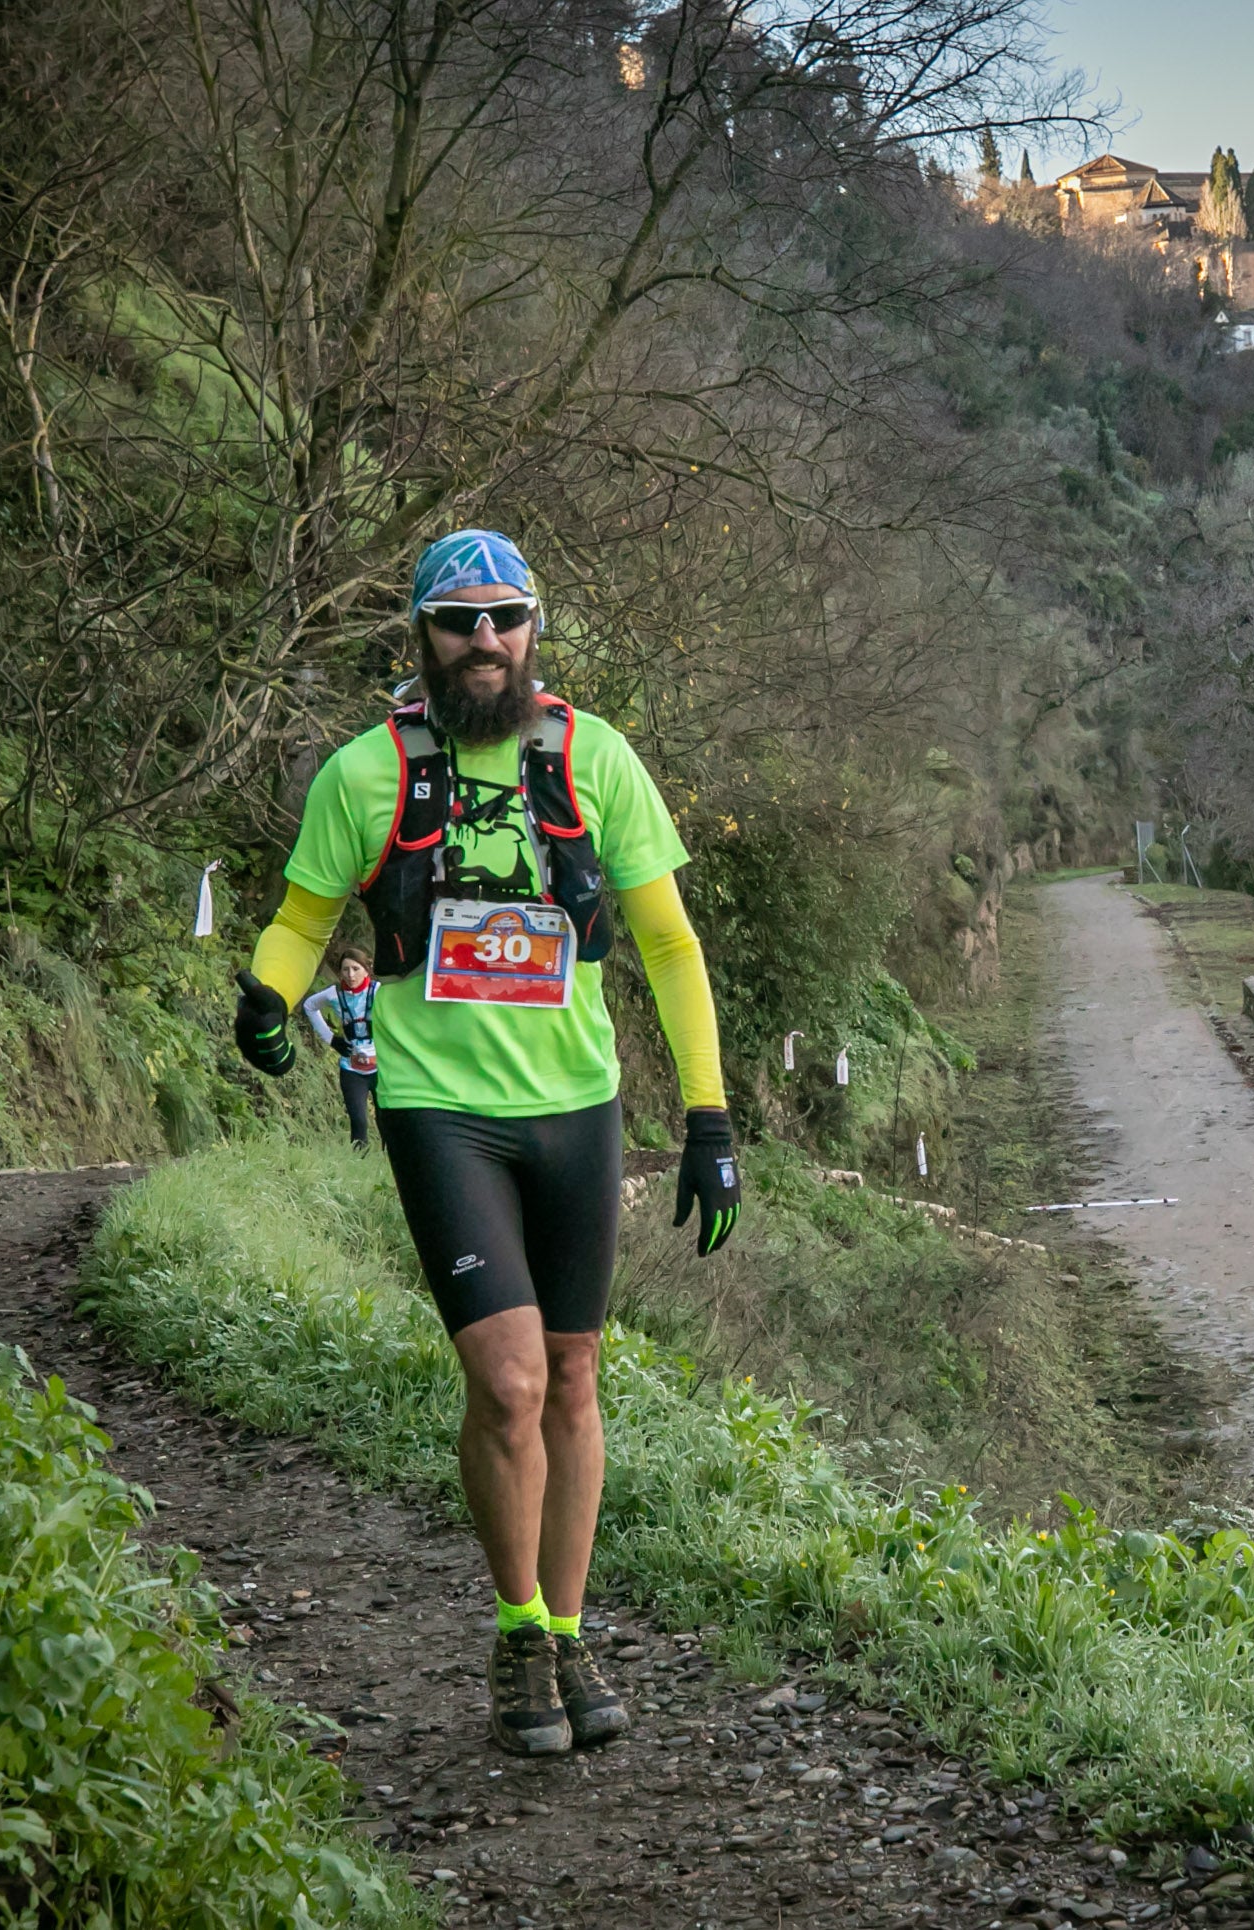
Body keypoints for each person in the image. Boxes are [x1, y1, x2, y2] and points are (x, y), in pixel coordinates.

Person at [231, 529, 742, 1759]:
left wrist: (709, 1116)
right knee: (507, 1382)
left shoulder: (592, 757)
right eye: (460, 619)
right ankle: (518, 1630)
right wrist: (266, 994)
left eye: (506, 616)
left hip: (576, 1107)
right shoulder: (366, 774)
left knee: (572, 1374)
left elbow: (670, 946)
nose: (485, 639)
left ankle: (568, 1630)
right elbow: (302, 917)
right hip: (438, 1108)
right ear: (421, 633)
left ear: (532, 631)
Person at [300, 948, 379, 1150]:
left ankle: (390, 1161)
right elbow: (309, 1006)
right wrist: (331, 1039)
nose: (350, 975)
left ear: (367, 969)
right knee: (358, 1120)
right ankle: (359, 1161)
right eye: (345, 970)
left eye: (356, 969)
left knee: (387, 1118)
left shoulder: (378, 991)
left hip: (381, 1066)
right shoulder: (334, 994)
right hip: (351, 1067)